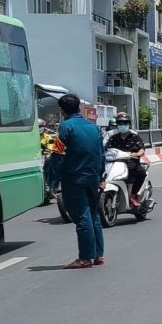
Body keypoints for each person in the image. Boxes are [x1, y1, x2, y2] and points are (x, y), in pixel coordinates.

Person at [55, 93, 106, 269]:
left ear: (62, 111)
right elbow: (102, 154)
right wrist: (101, 176)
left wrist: (53, 180)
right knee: (94, 215)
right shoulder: (93, 127)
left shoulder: (65, 127)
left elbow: (58, 155)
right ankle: (98, 254)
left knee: (82, 217)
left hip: (74, 178)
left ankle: (85, 257)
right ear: (79, 107)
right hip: (93, 177)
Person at [104, 111, 148, 205]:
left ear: (129, 124)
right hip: (115, 162)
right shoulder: (113, 137)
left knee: (141, 173)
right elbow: (105, 148)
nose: (122, 125)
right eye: (120, 123)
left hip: (131, 162)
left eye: (125, 123)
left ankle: (133, 196)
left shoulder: (135, 137)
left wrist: (136, 154)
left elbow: (141, 149)